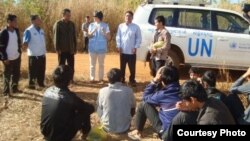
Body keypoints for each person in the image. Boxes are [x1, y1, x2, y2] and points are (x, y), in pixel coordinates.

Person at [40, 65, 94, 141]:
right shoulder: (70, 97)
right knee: (85, 110)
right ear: (69, 80)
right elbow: (90, 109)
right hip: (62, 137)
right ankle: (86, 134)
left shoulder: (47, 91)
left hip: (45, 132)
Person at [128, 65, 181, 140]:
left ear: (162, 80)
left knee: (143, 105)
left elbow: (145, 97)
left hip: (167, 134)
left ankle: (138, 132)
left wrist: (155, 80)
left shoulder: (162, 95)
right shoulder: (184, 90)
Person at [97, 68, 136, 133]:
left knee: (99, 106)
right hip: (125, 128)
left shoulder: (102, 91)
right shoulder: (129, 91)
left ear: (108, 79)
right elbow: (133, 109)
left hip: (106, 128)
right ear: (121, 79)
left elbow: (100, 110)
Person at [116, 10, 142, 86]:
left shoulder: (136, 27)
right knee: (122, 67)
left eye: (130, 16)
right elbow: (118, 37)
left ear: (132, 18)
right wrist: (118, 46)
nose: (128, 17)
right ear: (125, 17)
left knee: (132, 67)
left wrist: (135, 47)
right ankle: (122, 79)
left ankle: (132, 80)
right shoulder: (120, 26)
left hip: (131, 51)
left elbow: (138, 38)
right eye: (126, 16)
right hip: (123, 51)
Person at [0, 14, 22, 96]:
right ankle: (6, 93)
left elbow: (18, 42)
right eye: (15, 21)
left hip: (16, 57)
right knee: (7, 76)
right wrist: (4, 58)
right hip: (8, 59)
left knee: (16, 74)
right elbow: (1, 48)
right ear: (9, 22)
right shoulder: (3, 33)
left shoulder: (16, 30)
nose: (16, 22)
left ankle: (15, 89)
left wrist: (19, 52)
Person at [23, 15, 46, 89]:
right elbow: (25, 42)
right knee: (33, 72)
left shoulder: (41, 30)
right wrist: (24, 46)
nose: (40, 20)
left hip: (42, 55)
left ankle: (41, 84)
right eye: (38, 19)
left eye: (40, 19)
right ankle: (32, 86)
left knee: (41, 71)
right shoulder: (29, 31)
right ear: (33, 21)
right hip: (34, 56)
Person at [53, 8, 77, 82]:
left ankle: (71, 79)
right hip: (62, 50)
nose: (69, 17)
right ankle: (61, 80)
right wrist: (57, 48)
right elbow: (55, 37)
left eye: (70, 15)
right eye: (67, 15)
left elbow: (74, 37)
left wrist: (75, 48)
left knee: (71, 66)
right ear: (63, 15)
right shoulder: (58, 24)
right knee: (61, 66)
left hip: (70, 49)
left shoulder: (72, 24)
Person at [88, 11, 111, 83]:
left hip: (101, 48)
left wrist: (104, 32)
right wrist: (93, 31)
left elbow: (109, 38)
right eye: (94, 17)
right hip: (92, 48)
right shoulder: (91, 25)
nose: (94, 18)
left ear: (99, 18)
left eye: (95, 17)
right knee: (92, 65)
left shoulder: (105, 25)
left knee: (101, 64)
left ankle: (100, 79)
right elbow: (89, 36)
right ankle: (92, 78)